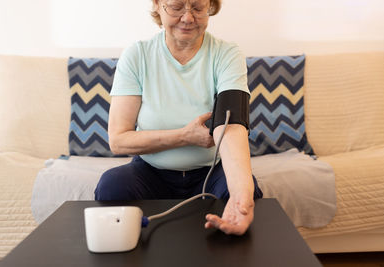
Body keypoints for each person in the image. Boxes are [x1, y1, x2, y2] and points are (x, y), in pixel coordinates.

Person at [95, 0, 263, 235]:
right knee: (112, 185)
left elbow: (232, 126)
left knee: (247, 191)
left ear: (210, 6)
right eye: (176, 7)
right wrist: (185, 136)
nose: (188, 17)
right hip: (150, 172)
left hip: (210, 171)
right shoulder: (137, 55)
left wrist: (241, 197)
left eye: (197, 7)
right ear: (157, 5)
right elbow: (119, 140)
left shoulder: (226, 54)